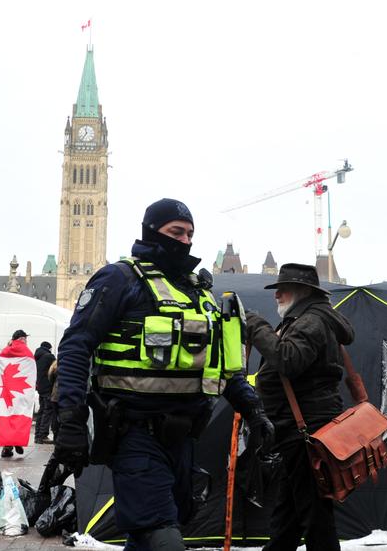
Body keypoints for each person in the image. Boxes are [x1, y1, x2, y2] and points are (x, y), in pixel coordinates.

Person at [54, 198, 272, 551]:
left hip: (183, 439)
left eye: (189, 233)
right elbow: (76, 346)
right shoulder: (120, 278)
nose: (184, 241)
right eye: (175, 232)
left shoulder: (196, 292)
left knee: (149, 534)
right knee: (160, 533)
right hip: (133, 434)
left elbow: (218, 366)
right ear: (151, 232)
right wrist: (70, 420)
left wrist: (253, 410)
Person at [244, 263, 355, 551]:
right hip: (303, 432)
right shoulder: (309, 318)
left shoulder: (311, 321)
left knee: (315, 518)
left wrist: (255, 325)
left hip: (305, 434)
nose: (277, 294)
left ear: (303, 291)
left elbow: (288, 359)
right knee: (289, 517)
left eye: (283, 289)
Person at [0, 329, 31, 459]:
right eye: (25, 339)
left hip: (7, 390)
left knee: (8, 416)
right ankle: (16, 441)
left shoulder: (4, 351)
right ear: (21, 339)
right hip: (21, 390)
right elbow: (31, 371)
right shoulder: (27, 352)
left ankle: (7, 446)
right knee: (19, 415)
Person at [33, 340, 57, 444]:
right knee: (47, 411)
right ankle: (43, 435)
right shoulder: (49, 356)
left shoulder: (37, 357)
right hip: (47, 388)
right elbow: (54, 369)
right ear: (49, 348)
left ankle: (37, 435)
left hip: (40, 388)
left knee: (41, 411)